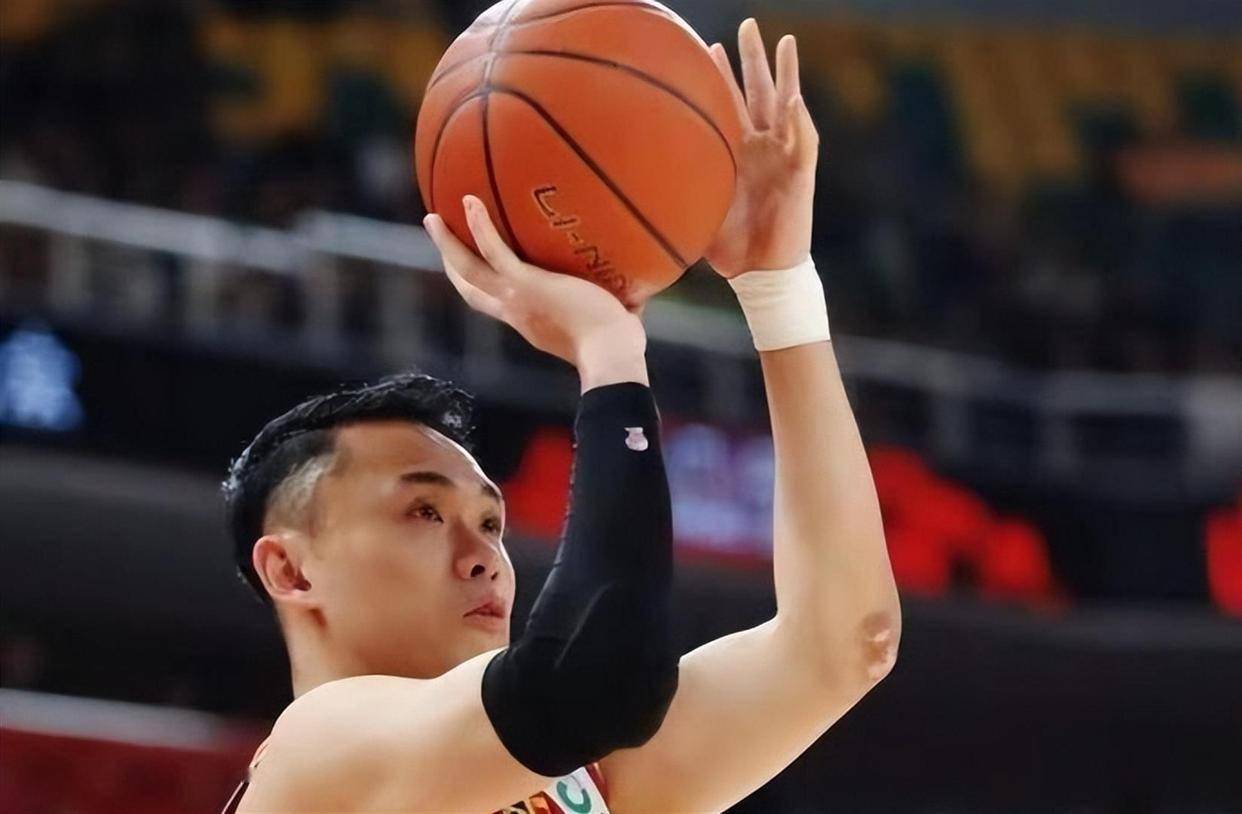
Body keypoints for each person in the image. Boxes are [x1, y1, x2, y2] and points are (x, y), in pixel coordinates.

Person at [221, 19, 900, 813]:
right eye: (423, 511)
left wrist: (776, 283)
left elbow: (847, 644)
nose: (484, 557)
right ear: (292, 570)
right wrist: (609, 354)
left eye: (491, 522)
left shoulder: (583, 781)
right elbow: (592, 679)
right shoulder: (314, 754)